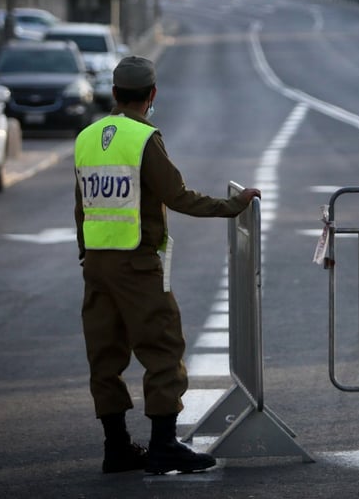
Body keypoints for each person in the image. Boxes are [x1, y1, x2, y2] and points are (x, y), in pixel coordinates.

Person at [74, 55, 261, 475]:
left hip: (96, 264)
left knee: (105, 357)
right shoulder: (143, 138)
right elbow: (177, 196)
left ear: (115, 94)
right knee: (162, 349)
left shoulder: (86, 137)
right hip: (136, 264)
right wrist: (233, 206)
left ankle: (117, 447)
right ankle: (162, 446)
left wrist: (86, 252)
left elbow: (80, 206)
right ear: (151, 95)